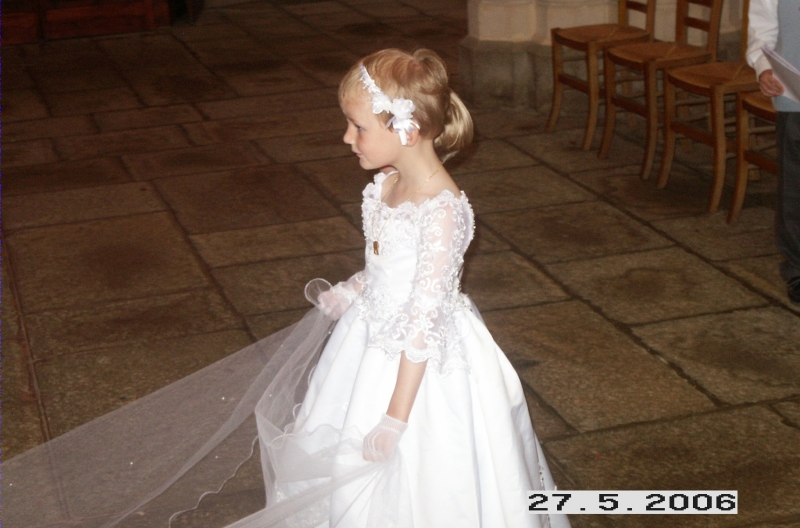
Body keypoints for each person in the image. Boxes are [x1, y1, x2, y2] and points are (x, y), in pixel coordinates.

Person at [6, 49, 570, 528]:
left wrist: (396, 418)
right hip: (369, 341)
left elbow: (425, 319)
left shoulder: (442, 211)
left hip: (417, 367)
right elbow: (388, 270)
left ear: (407, 130)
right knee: (334, 453)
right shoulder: (386, 184)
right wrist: (353, 289)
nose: (346, 137)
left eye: (358, 127)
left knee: (421, 478)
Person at [746, 0, 800, 305]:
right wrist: (764, 68)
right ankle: (798, 268)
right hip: (796, 95)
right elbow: (761, 31)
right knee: (796, 188)